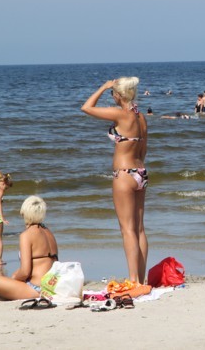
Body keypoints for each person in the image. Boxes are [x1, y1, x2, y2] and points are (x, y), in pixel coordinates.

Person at [81, 77, 149, 284]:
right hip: (140, 172)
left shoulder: (121, 114)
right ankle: (141, 279)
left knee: (127, 229)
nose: (111, 96)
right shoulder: (140, 117)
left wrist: (103, 86)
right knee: (139, 229)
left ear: (118, 95)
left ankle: (133, 280)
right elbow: (144, 149)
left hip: (124, 173)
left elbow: (86, 107)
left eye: (113, 93)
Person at [0, 195, 58, 300]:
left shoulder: (26, 235)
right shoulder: (49, 232)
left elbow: (25, 272)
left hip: (35, 289)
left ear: (24, 213)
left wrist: (14, 277)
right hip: (51, 286)